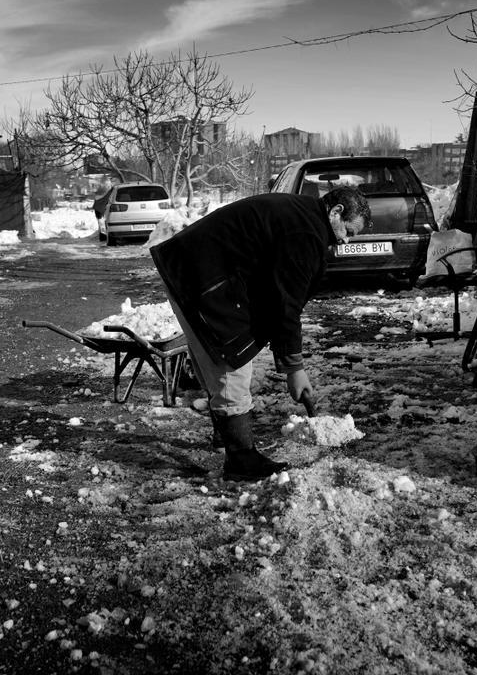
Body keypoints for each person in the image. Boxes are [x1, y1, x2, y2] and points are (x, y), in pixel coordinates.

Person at [150, 187, 372, 481]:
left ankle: (226, 435)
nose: (345, 240)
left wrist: (285, 354)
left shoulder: (303, 216)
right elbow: (287, 305)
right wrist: (295, 368)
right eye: (349, 231)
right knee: (231, 357)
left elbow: (277, 295)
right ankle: (241, 459)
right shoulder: (305, 233)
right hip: (202, 279)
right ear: (336, 212)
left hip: (192, 270)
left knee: (219, 355)